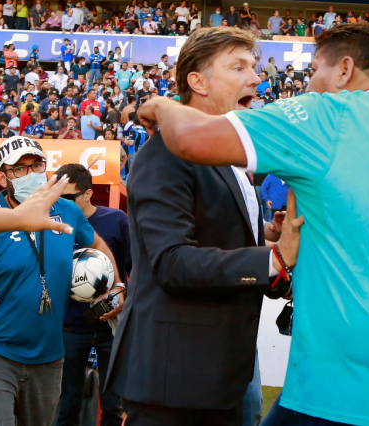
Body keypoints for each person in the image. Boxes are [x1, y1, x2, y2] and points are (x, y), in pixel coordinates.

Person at [136, 23, 369, 426]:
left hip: (356, 380)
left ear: (343, 71)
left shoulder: (329, 115)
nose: (308, 87)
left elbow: (190, 139)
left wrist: (160, 106)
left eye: (313, 73)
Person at [105, 27, 299, 426]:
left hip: (223, 372)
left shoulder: (230, 158)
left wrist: (268, 237)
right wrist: (272, 260)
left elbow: (214, 231)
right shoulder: (165, 153)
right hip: (174, 379)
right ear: (198, 82)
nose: (257, 78)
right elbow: (174, 263)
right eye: (238, 67)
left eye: (255, 66)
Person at [0, 138, 122, 425]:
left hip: (49, 355)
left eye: (36, 165)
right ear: (1, 177)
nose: (30, 173)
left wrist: (116, 283)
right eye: (19, 169)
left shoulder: (66, 210)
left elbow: (96, 242)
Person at [54, 164, 130, 426]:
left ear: (87, 194)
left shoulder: (117, 220)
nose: (61, 203)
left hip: (111, 326)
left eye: (68, 196)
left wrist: (121, 293)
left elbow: (136, 268)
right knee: (66, 404)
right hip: (69, 328)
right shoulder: (50, 225)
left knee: (113, 404)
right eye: (57, 196)